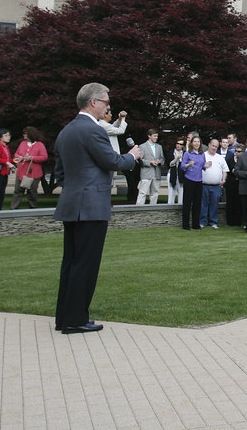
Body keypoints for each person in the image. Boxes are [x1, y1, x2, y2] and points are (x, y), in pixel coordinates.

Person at [53, 82, 141, 334]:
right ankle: (75, 320)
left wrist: (76, 188)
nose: (107, 107)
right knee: (86, 264)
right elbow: (113, 161)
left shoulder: (66, 131)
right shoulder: (92, 130)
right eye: (105, 102)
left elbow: (60, 174)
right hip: (90, 206)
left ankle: (65, 317)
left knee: (71, 262)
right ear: (93, 102)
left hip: (71, 203)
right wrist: (133, 155)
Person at [11, 127, 48, 210]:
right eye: (24, 133)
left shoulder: (39, 145)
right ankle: (14, 208)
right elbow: (16, 154)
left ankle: (33, 207)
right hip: (21, 171)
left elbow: (44, 157)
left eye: (26, 133)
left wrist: (32, 158)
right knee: (18, 191)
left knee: (32, 192)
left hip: (33, 173)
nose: (24, 135)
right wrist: (19, 157)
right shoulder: (22, 143)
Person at [199, 138, 228, 228]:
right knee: (203, 204)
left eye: (216, 146)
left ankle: (213, 222)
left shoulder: (220, 158)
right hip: (204, 184)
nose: (214, 148)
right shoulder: (202, 156)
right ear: (209, 145)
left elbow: (225, 170)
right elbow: (197, 169)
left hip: (216, 186)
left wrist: (223, 180)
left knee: (214, 205)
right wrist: (205, 165)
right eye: (213, 146)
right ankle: (202, 222)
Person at [179, 135, 204, 229]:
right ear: (191, 143)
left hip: (199, 180)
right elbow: (182, 166)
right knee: (187, 203)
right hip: (189, 179)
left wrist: (206, 165)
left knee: (197, 203)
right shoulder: (187, 153)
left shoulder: (202, 154)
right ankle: (185, 225)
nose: (196, 143)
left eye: (198, 142)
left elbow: (202, 166)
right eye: (195, 142)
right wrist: (188, 165)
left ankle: (195, 224)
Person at [136, 129, 164, 205]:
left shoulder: (159, 147)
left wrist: (159, 161)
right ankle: (138, 210)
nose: (156, 137)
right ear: (149, 136)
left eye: (157, 136)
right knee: (142, 193)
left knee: (155, 193)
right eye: (154, 136)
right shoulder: (142, 146)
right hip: (146, 173)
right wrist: (150, 162)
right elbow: (139, 160)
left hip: (156, 173)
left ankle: (153, 210)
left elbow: (162, 158)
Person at [166, 137, 185, 207]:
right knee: (171, 193)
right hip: (172, 174)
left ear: (183, 146)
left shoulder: (185, 153)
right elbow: (169, 164)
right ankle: (169, 207)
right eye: (177, 143)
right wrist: (176, 159)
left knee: (181, 192)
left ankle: (180, 208)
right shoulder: (171, 152)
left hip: (181, 175)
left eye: (180, 144)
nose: (178, 145)